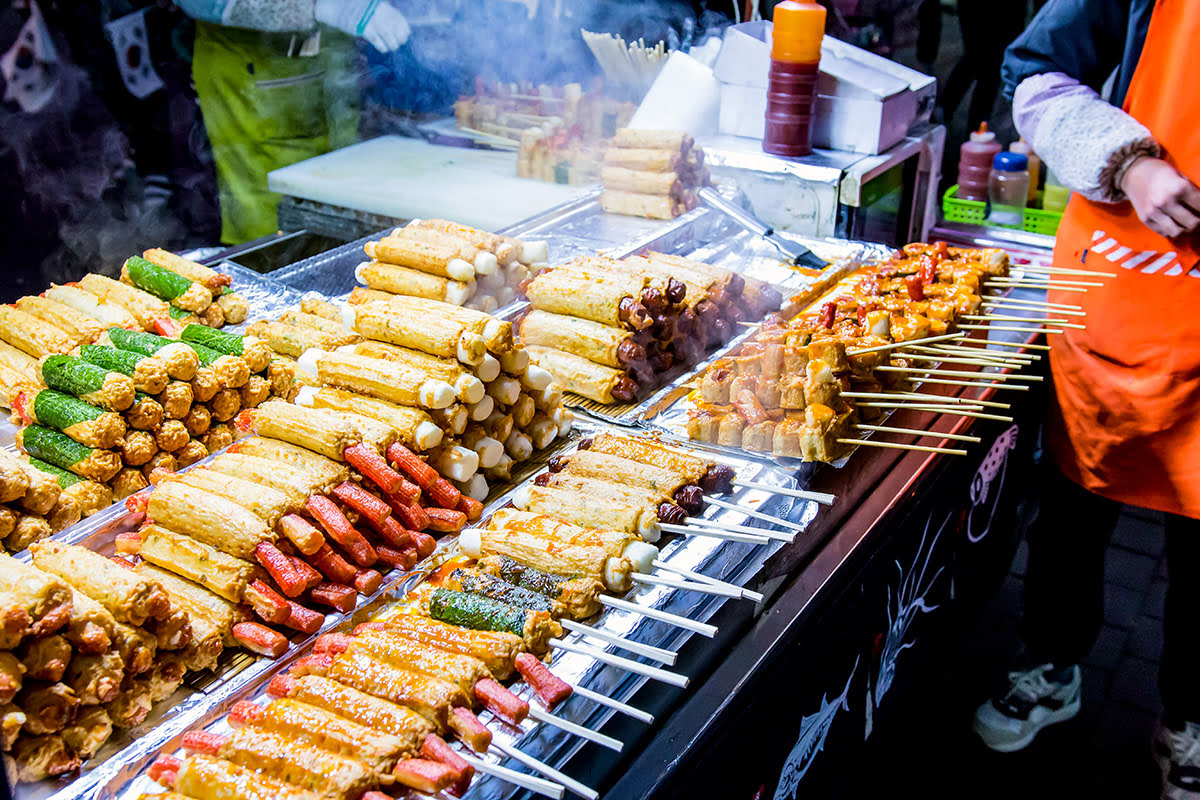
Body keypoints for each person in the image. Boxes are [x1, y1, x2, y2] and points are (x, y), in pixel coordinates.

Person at [972, 2, 1200, 798]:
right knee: (1073, 507)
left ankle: (1189, 722)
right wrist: (1130, 163)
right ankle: (1051, 666)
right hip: (1126, 285)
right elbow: (1030, 73)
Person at [174, 0, 412, 244]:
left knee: (348, 201)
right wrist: (319, 6)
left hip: (331, 59)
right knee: (275, 228)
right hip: (256, 73)